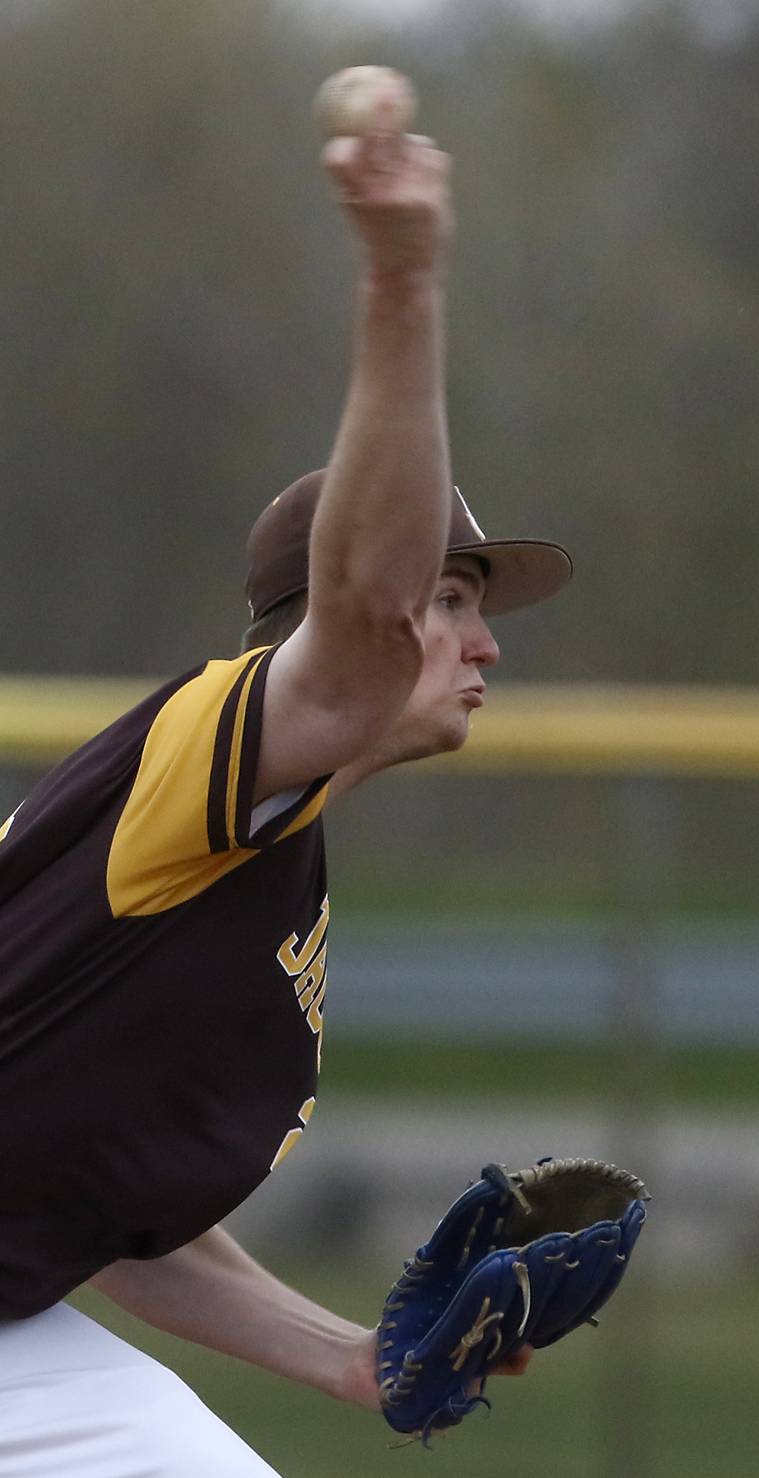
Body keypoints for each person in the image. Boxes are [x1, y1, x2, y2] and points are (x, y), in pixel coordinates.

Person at [0, 110, 572, 1477]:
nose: (482, 641)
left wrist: (353, 1360)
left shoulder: (258, 859)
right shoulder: (202, 756)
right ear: (323, 625)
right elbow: (358, 617)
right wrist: (403, 282)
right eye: (450, 599)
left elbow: (96, 1207)